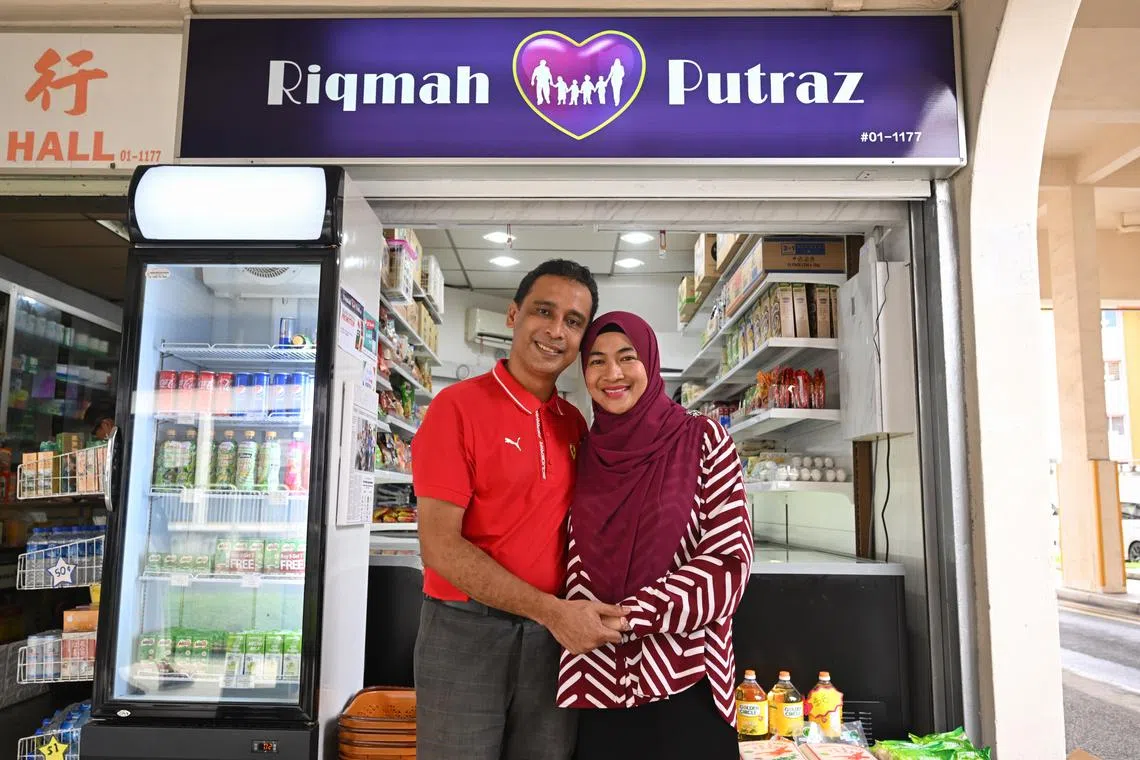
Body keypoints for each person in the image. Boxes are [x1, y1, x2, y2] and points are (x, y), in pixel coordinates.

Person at [412, 260, 629, 760]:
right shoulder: (457, 408)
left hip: (552, 643)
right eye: (543, 312)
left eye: (573, 322)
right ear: (513, 315)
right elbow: (439, 546)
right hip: (464, 632)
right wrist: (554, 613)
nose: (556, 331)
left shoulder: (574, 423)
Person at [557, 312, 754, 760]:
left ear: (650, 360)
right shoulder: (581, 454)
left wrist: (629, 617)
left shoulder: (703, 441)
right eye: (596, 361)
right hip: (596, 683)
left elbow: (728, 566)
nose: (613, 374)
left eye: (627, 358)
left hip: (685, 679)